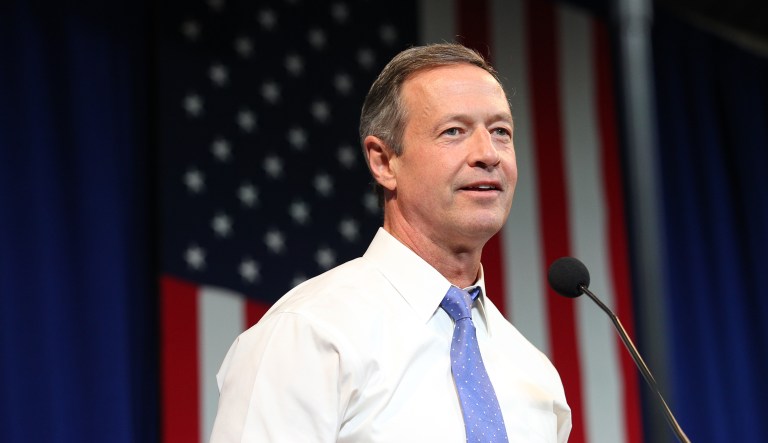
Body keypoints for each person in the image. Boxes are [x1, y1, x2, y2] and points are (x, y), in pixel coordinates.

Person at [210, 43, 571, 442]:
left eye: (501, 132)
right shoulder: (309, 335)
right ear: (383, 161)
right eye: (454, 131)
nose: (488, 154)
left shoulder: (535, 376)